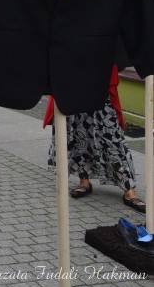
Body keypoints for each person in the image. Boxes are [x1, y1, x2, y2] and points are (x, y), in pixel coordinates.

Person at [45, 65, 145, 214]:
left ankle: (129, 189)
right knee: (77, 135)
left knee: (112, 138)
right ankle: (84, 180)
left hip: (99, 77)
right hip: (71, 81)